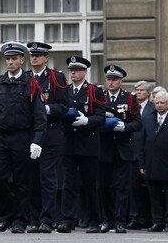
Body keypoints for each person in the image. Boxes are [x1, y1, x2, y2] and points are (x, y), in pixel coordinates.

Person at [0, 42, 47, 233]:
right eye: (8, 59)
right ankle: (5, 216)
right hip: (1, 137)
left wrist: (37, 141)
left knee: (22, 181)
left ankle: (20, 219)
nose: (10, 62)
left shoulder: (31, 84)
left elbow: (40, 115)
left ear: (22, 60)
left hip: (22, 137)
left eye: (14, 59)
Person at [56, 56, 105, 234]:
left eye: (77, 70)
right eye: (71, 70)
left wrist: (87, 120)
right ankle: (67, 220)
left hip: (88, 143)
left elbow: (101, 117)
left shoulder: (94, 91)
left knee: (90, 184)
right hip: (68, 143)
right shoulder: (65, 91)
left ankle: (94, 220)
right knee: (68, 183)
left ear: (85, 72)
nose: (73, 73)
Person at [25, 41, 68, 233]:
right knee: (32, 178)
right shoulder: (25, 78)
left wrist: (46, 109)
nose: (34, 58)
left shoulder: (55, 78)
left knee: (48, 179)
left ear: (46, 58)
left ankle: (48, 219)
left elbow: (64, 106)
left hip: (50, 135)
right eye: (32, 55)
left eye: (38, 55)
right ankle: (34, 218)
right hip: (30, 134)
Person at [98, 65, 141, 233]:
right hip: (104, 147)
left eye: (114, 79)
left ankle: (121, 221)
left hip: (123, 147)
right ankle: (107, 219)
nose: (111, 82)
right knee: (103, 185)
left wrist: (125, 126)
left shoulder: (130, 98)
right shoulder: (100, 97)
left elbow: (137, 122)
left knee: (122, 187)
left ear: (121, 81)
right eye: (109, 79)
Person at [139, 89, 168, 233]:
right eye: (156, 103)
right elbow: (142, 143)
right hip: (151, 164)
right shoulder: (148, 119)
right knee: (155, 196)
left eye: (162, 103)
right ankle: (157, 221)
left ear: (167, 104)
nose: (159, 105)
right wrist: (142, 164)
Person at [127, 80, 154, 230]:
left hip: (148, 153)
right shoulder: (131, 107)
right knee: (133, 188)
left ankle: (150, 217)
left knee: (150, 188)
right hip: (133, 152)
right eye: (137, 90)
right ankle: (135, 217)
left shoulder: (152, 108)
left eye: (142, 90)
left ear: (148, 93)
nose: (138, 92)